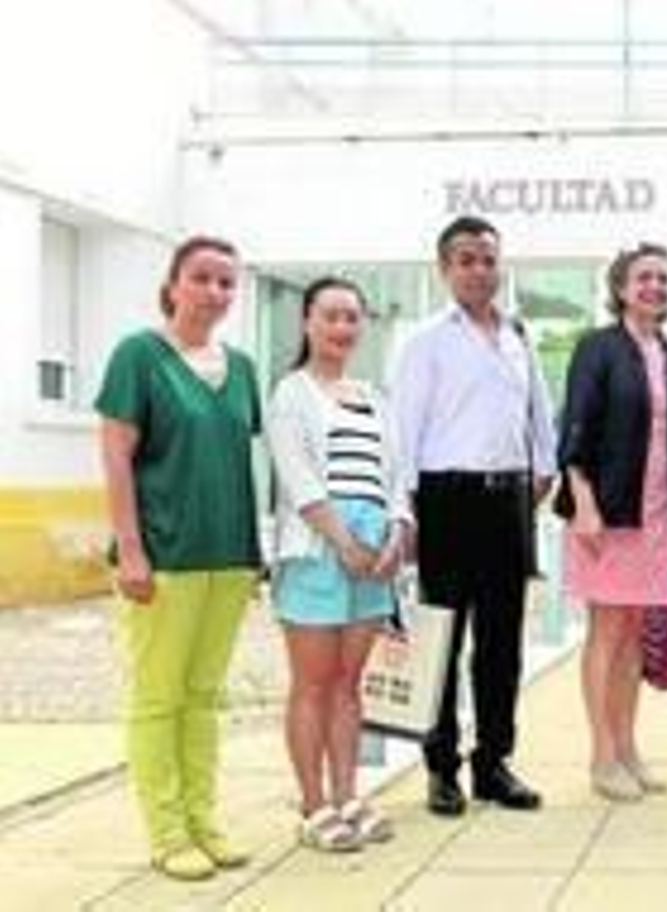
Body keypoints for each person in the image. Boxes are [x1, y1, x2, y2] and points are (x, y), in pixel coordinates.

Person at [96, 236, 262, 881]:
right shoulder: (139, 356)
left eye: (227, 282)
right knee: (158, 698)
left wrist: (255, 558)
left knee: (204, 698)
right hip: (164, 559)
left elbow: (236, 462)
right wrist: (131, 550)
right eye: (202, 278)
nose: (215, 292)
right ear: (173, 285)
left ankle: (204, 820)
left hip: (229, 557)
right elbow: (115, 457)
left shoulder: (242, 367)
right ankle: (166, 833)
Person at [390, 215, 558, 816]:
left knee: (501, 642)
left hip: (508, 501)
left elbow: (540, 414)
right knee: (441, 639)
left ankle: (494, 762)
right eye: (466, 260)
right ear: (445, 269)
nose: (479, 270)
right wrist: (404, 512)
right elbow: (403, 433)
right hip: (446, 500)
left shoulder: (517, 334)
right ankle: (441, 767)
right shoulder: (425, 340)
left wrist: (542, 470)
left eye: (488, 259)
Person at [266, 277, 407, 852]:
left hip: (375, 552)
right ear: (307, 322)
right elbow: (297, 475)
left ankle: (349, 794)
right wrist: (342, 540)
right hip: (318, 546)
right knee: (313, 683)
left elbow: (396, 475)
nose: (343, 328)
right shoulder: (291, 393)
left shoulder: (375, 396)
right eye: (331, 316)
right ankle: (314, 804)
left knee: (350, 685)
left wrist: (398, 532)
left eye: (352, 318)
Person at [557, 242, 667, 802]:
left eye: (663, 279)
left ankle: (628, 748)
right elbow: (575, 430)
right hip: (606, 513)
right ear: (620, 289)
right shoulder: (597, 348)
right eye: (644, 278)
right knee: (607, 631)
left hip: (657, 512)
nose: (655, 287)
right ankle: (601, 756)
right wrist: (583, 503)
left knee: (636, 632)